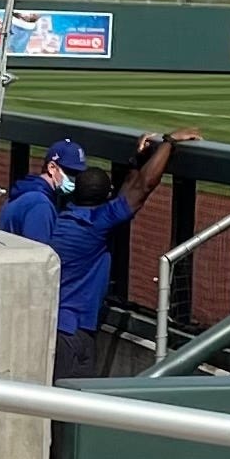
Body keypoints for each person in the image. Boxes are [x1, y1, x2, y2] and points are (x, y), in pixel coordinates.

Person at [49, 128, 199, 379]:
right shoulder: (97, 223)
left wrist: (137, 160)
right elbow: (142, 188)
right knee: (71, 398)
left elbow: (128, 191)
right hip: (72, 331)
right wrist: (169, 143)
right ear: (106, 196)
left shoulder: (65, 217)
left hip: (54, 323)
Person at [0, 137, 85, 244]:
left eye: (78, 174)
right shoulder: (40, 204)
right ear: (52, 168)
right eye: (70, 172)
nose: (74, 178)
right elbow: (37, 251)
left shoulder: (25, 191)